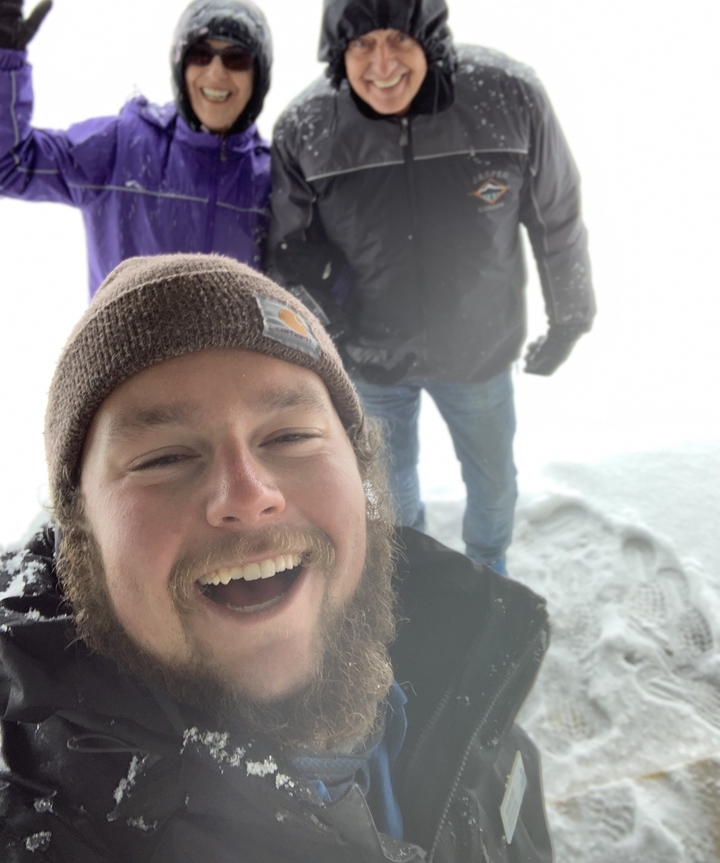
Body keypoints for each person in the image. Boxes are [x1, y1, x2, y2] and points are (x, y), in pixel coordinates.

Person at [0, 253, 552, 862]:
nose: (248, 495)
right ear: (80, 533)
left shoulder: (470, 688)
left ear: (360, 468)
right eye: (163, 458)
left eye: (290, 436)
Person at [270, 0, 596, 575]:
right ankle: (414, 584)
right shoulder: (308, 128)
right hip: (370, 361)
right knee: (390, 497)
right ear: (338, 49)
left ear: (432, 33)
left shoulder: (507, 98)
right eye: (361, 43)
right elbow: (287, 248)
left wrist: (571, 315)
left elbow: (557, 212)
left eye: (400, 38)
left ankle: (488, 569)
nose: (382, 62)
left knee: (494, 484)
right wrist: (327, 329)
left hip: (478, 354)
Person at [0, 0, 272, 296]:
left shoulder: (273, 181)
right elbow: (9, 165)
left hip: (229, 350)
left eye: (236, 59)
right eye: (200, 55)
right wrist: (4, 60)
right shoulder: (121, 149)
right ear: (180, 66)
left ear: (258, 76)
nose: (215, 74)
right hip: (123, 348)